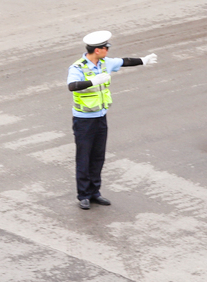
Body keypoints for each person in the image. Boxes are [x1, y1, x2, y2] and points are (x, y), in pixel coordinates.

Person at [66, 31, 157, 210]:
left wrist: (143, 60)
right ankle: (83, 195)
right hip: (83, 120)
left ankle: (95, 192)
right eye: (106, 48)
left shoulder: (104, 63)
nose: (108, 50)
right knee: (84, 157)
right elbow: (72, 86)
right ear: (98, 50)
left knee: (98, 156)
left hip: (100, 117)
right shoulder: (77, 67)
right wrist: (92, 81)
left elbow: (124, 61)